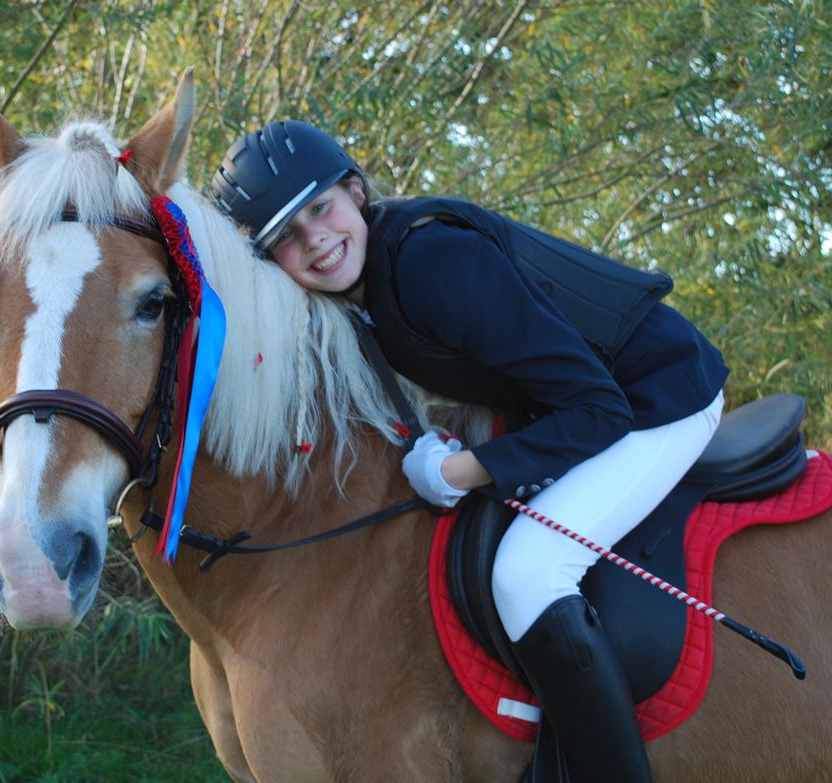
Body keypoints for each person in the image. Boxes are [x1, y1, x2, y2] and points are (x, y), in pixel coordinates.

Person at [212, 121, 729, 782]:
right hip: (592, 403)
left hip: (660, 396)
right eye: (286, 235)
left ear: (355, 190)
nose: (315, 238)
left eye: (320, 207)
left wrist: (462, 469)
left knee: (527, 571)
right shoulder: (367, 284)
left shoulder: (432, 263)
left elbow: (599, 409)